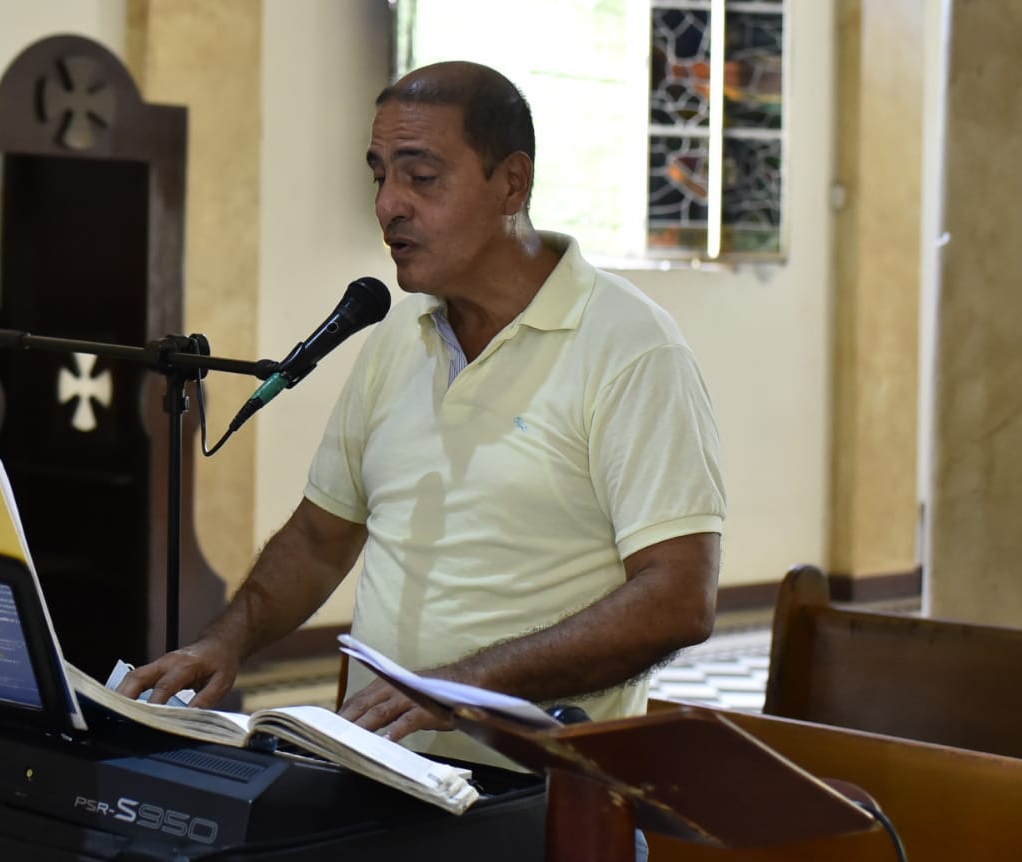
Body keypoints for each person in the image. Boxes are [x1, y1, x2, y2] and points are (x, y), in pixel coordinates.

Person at [117, 61, 725, 768]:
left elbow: (678, 597)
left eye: (421, 176)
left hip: (537, 790)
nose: (387, 205)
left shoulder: (629, 347)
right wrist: (223, 640)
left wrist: (464, 688)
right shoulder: (398, 340)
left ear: (511, 183)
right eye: (378, 174)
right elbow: (320, 537)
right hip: (383, 769)